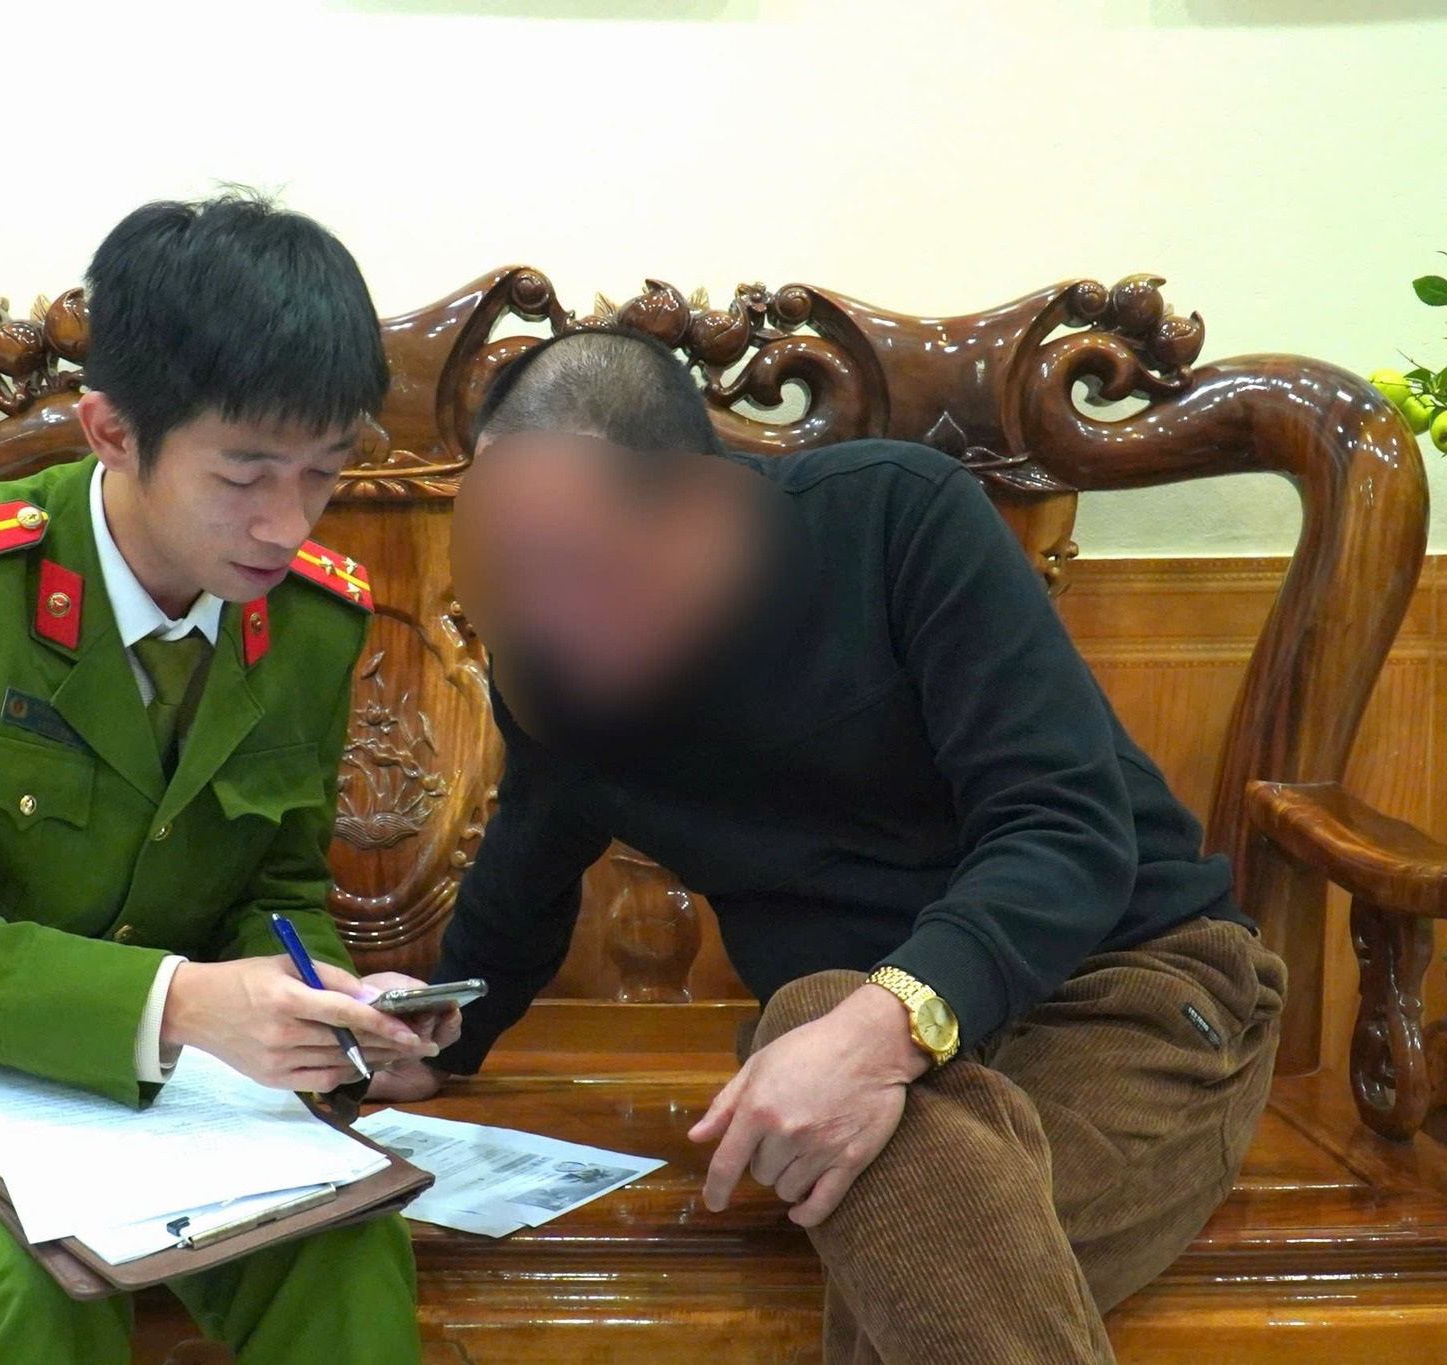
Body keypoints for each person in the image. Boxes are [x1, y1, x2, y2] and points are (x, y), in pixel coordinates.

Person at [370, 327, 1285, 1364]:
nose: (534, 609)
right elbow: (523, 871)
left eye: (565, 561)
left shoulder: (897, 517)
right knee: (816, 1027)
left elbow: (1063, 826)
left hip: (1121, 988)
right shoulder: (557, 671)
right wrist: (433, 1038)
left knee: (908, 1233)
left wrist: (879, 1032)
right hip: (853, 1040)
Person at [0, 193, 451, 1365]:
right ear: (111, 431)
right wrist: (177, 1004)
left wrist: (324, 1005)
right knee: (34, 1299)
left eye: (324, 474)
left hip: (179, 1085)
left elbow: (275, 888)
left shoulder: (312, 619)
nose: (286, 526)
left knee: (346, 1254)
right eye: (244, 475)